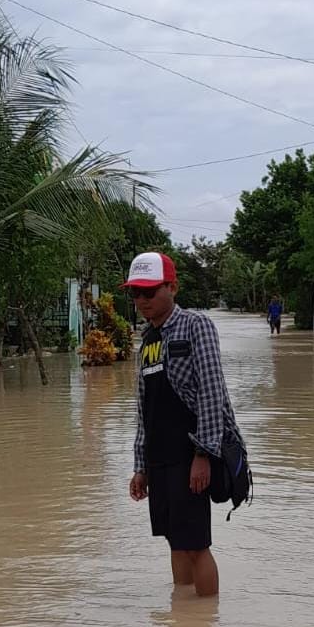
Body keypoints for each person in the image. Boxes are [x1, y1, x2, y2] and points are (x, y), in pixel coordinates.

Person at [125, 251, 245, 598]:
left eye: (150, 291)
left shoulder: (196, 327)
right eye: (136, 293)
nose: (142, 300)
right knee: (174, 541)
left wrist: (203, 454)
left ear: (172, 287)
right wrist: (140, 466)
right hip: (159, 457)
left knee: (195, 544)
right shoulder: (147, 340)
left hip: (189, 455)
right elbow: (143, 408)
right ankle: (184, 617)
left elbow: (212, 392)